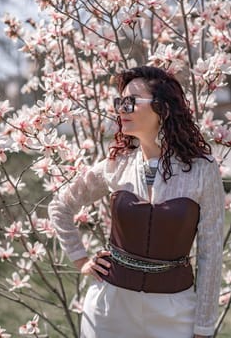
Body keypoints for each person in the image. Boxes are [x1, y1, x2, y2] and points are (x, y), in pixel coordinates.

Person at [48, 66, 224, 338]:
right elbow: (61, 205)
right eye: (119, 102)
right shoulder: (117, 165)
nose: (121, 110)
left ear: (162, 108)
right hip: (109, 308)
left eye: (130, 102)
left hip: (175, 312)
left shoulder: (203, 170)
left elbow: (210, 254)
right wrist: (80, 260)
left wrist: (203, 326)